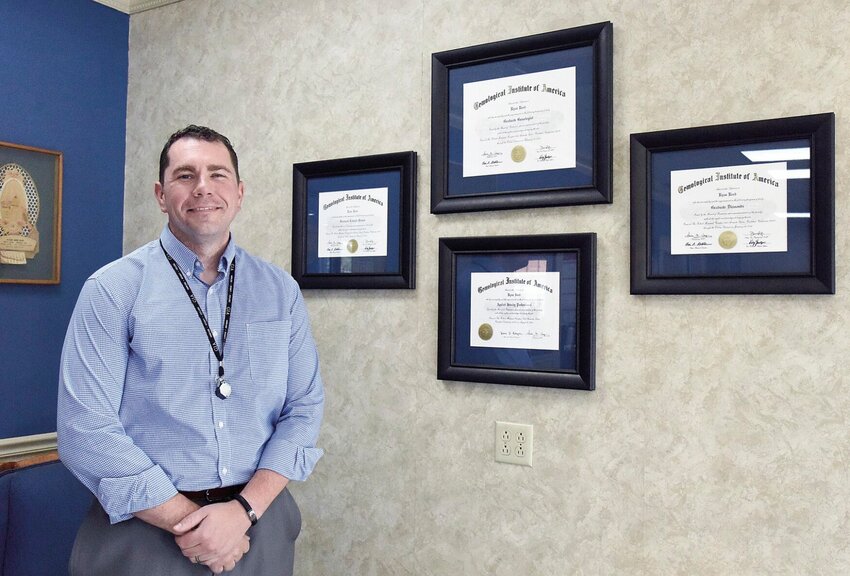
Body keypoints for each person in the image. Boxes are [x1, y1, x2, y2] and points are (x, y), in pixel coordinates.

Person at [57, 125, 324, 575]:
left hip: (258, 524)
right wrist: (194, 525)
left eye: (217, 174)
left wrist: (241, 513)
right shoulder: (113, 289)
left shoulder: (281, 291)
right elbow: (86, 429)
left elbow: (304, 409)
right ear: (161, 195)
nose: (203, 187)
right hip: (146, 533)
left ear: (238, 193)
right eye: (185, 175)